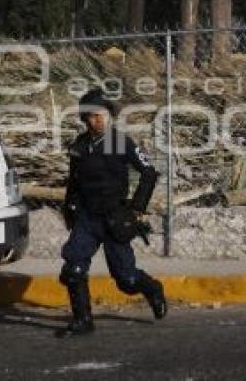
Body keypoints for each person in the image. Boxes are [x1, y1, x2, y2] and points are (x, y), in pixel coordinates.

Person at [58, 87, 167, 337]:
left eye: (102, 114)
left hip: (115, 219)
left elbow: (149, 174)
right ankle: (83, 320)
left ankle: (153, 289)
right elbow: (73, 180)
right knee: (73, 270)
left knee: (126, 281)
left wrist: (137, 208)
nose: (98, 120)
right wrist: (69, 208)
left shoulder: (121, 143)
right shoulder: (79, 146)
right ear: (85, 119)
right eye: (92, 116)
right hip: (87, 218)